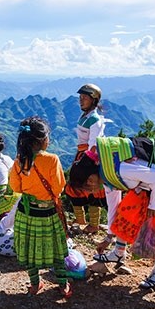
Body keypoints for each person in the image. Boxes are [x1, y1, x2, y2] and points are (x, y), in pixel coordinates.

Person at [68, 136, 155, 289]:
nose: (89, 192)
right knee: (126, 211)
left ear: (90, 179)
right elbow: (113, 205)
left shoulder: (119, 170)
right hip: (147, 184)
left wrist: (154, 205)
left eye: (86, 188)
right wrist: (108, 238)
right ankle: (119, 252)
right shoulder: (106, 175)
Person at [9, 116, 72, 298]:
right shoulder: (52, 160)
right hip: (48, 213)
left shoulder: (20, 160)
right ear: (43, 140)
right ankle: (62, 284)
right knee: (57, 250)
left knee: (29, 249)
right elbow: (59, 188)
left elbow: (16, 187)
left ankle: (35, 284)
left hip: (26, 213)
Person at [64, 84, 120, 234]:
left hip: (90, 157)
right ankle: (81, 219)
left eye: (85, 98)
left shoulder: (94, 119)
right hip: (83, 154)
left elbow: (93, 143)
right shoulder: (86, 116)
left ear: (93, 100)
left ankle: (93, 224)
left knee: (91, 189)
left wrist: (87, 164)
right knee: (75, 186)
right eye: (80, 98)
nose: (81, 101)